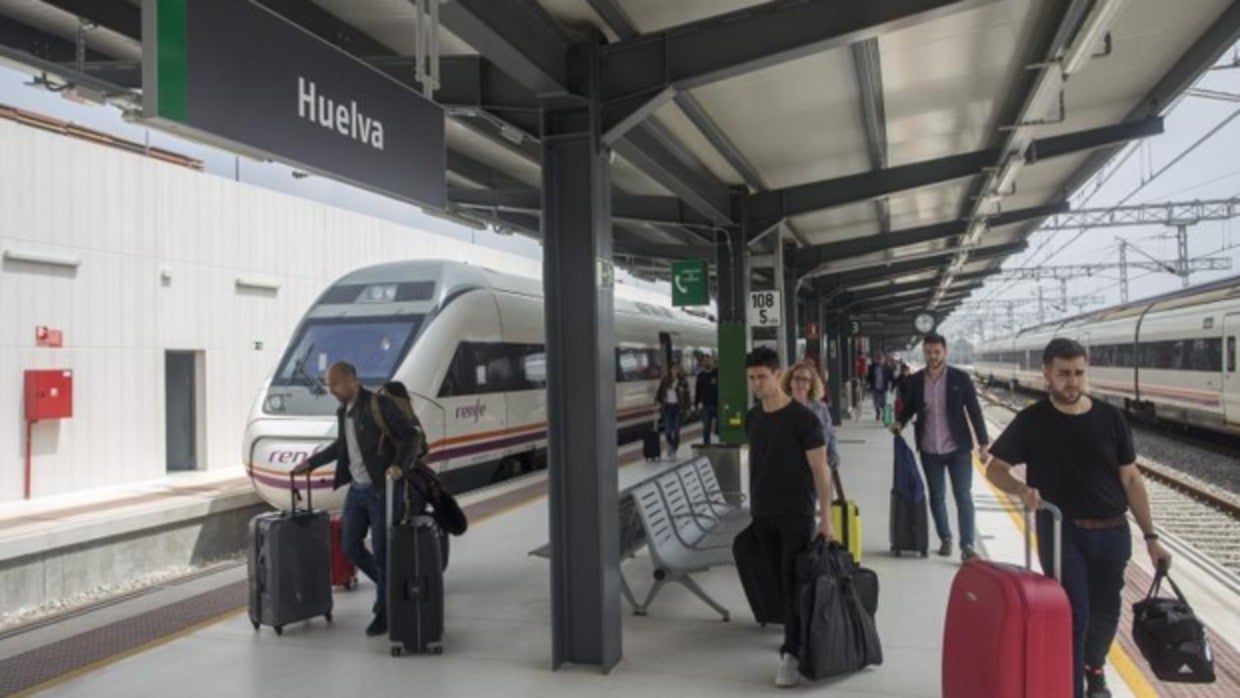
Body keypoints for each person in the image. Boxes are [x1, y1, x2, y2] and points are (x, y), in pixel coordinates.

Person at [985, 338, 1172, 698]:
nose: (1072, 382)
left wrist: (1151, 538)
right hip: (1062, 532)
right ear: (1046, 373)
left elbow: (1131, 478)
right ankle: (1070, 689)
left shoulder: (1110, 418)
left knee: (1106, 614)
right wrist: (1020, 489)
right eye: (1064, 374)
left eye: (1079, 373)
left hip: (1113, 533)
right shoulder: (1032, 420)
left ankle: (1094, 670)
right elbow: (996, 468)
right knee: (1075, 614)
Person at [293, 361, 423, 637]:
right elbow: (341, 446)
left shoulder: (379, 405)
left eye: (334, 385)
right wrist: (312, 463)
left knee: (382, 550)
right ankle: (389, 587)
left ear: (350, 380)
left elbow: (411, 437)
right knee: (350, 546)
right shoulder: (344, 411)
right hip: (357, 490)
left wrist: (399, 466)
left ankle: (384, 611)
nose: (331, 391)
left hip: (382, 489)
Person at [744, 347, 835, 688]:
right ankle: (796, 637)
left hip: (796, 514)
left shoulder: (804, 420)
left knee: (792, 582)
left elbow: (821, 470)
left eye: (762, 377)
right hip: (762, 513)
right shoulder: (753, 418)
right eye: (752, 378)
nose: (757, 384)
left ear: (777, 374)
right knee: (779, 585)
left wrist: (826, 518)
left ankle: (791, 654)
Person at [891, 334, 989, 562]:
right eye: (928, 352)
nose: (932, 356)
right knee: (936, 497)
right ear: (923, 352)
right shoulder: (916, 380)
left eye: (937, 352)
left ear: (945, 352)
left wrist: (983, 443)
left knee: (963, 496)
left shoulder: (960, 378)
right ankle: (945, 537)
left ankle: (967, 546)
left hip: (958, 448)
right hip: (929, 448)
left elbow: (974, 411)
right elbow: (910, 407)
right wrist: (900, 422)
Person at [781, 361, 841, 470]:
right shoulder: (781, 409)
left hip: (818, 466)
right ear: (790, 382)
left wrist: (833, 458)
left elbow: (830, 434)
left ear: (810, 385)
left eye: (805, 380)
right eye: (797, 378)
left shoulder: (821, 408)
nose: (800, 383)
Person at [654, 363, 691, 458]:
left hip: (678, 408)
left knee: (676, 430)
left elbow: (687, 396)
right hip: (667, 408)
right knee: (668, 431)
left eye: (676, 368)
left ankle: (674, 448)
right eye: (673, 368)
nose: (675, 370)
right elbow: (659, 392)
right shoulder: (665, 380)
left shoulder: (683, 381)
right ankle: (671, 446)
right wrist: (657, 401)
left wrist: (688, 408)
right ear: (670, 369)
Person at [694, 354, 719, 445]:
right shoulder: (700, 376)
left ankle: (721, 440)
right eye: (705, 361)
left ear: (712, 361)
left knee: (721, 425)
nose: (707, 362)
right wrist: (696, 404)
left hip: (718, 404)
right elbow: (698, 390)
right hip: (706, 405)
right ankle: (706, 445)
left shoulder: (717, 373)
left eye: (709, 360)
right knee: (706, 427)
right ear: (702, 363)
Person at [865, 352, 894, 421]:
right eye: (878, 359)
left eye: (881, 359)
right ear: (875, 359)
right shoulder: (871, 367)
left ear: (884, 359)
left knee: (884, 402)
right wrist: (868, 383)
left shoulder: (888, 368)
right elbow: (868, 377)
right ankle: (878, 412)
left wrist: (892, 386)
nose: (879, 361)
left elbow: (892, 378)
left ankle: (884, 415)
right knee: (876, 402)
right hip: (875, 388)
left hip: (884, 388)